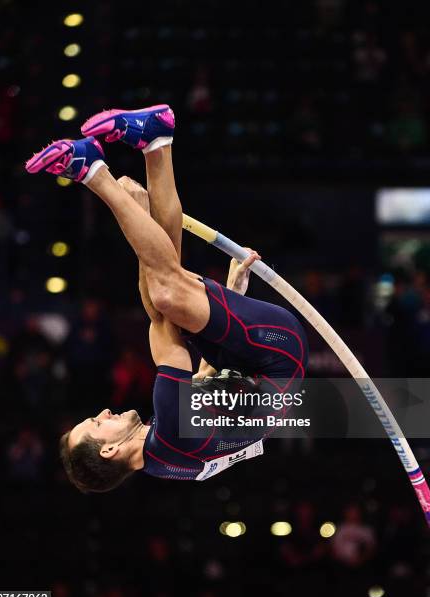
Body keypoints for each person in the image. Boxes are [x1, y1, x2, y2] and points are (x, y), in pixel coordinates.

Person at [25, 105, 308, 492]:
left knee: (161, 294)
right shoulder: (170, 432)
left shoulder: (166, 459)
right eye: (96, 423)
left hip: (246, 359)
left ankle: (155, 141)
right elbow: (166, 318)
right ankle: (93, 172)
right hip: (276, 353)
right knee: (164, 295)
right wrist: (133, 210)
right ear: (109, 450)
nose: (103, 412)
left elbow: (212, 383)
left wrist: (231, 299)